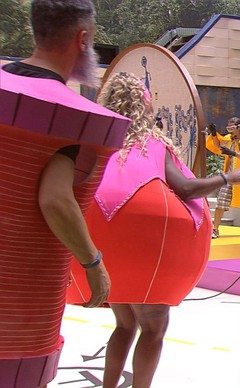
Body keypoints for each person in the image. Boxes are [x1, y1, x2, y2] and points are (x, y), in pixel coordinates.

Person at [65, 72, 240, 387]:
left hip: (104, 251)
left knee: (124, 325)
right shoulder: (151, 146)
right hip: (146, 250)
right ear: (144, 109)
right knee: (153, 328)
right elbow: (187, 189)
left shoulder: (97, 144)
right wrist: (227, 179)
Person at [0, 1, 129, 386]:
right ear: (83, 39)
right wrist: (94, 265)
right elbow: (55, 199)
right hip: (19, 319)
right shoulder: (72, 121)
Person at [206, 117, 240, 235]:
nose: (230, 131)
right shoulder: (229, 139)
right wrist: (214, 133)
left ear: (239, 127)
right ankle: (215, 229)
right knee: (221, 202)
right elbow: (218, 146)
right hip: (230, 176)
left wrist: (233, 153)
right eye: (228, 128)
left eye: (232, 128)